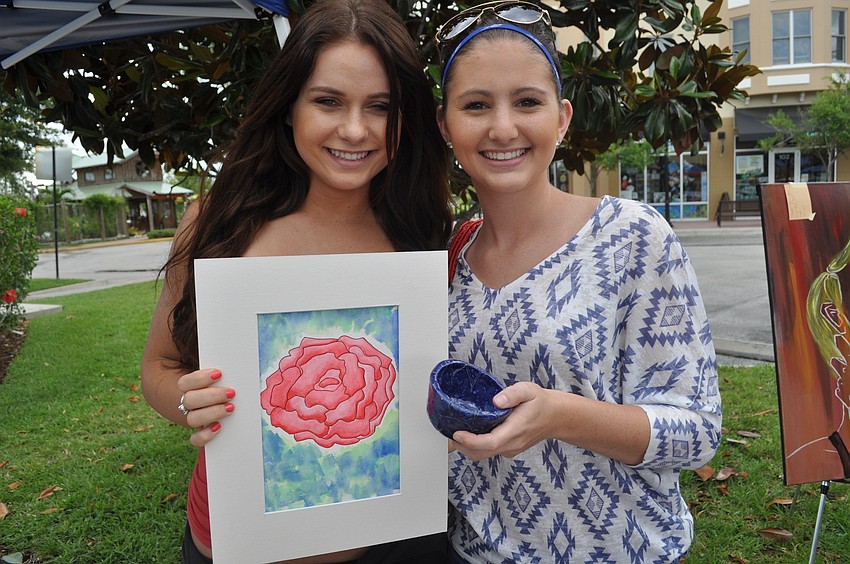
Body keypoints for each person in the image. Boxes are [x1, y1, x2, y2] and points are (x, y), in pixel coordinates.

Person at [140, 0, 452, 562]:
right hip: (234, 540)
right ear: (288, 107)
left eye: (380, 106)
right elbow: (160, 368)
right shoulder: (216, 223)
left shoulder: (422, 233)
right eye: (328, 101)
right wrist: (191, 404)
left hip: (390, 541)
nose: (354, 129)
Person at [435, 3, 721, 562]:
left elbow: (698, 431)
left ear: (562, 118)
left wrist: (561, 416)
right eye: (475, 105)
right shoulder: (446, 254)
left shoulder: (631, 236)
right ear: (446, 126)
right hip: (473, 553)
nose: (502, 127)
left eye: (527, 102)